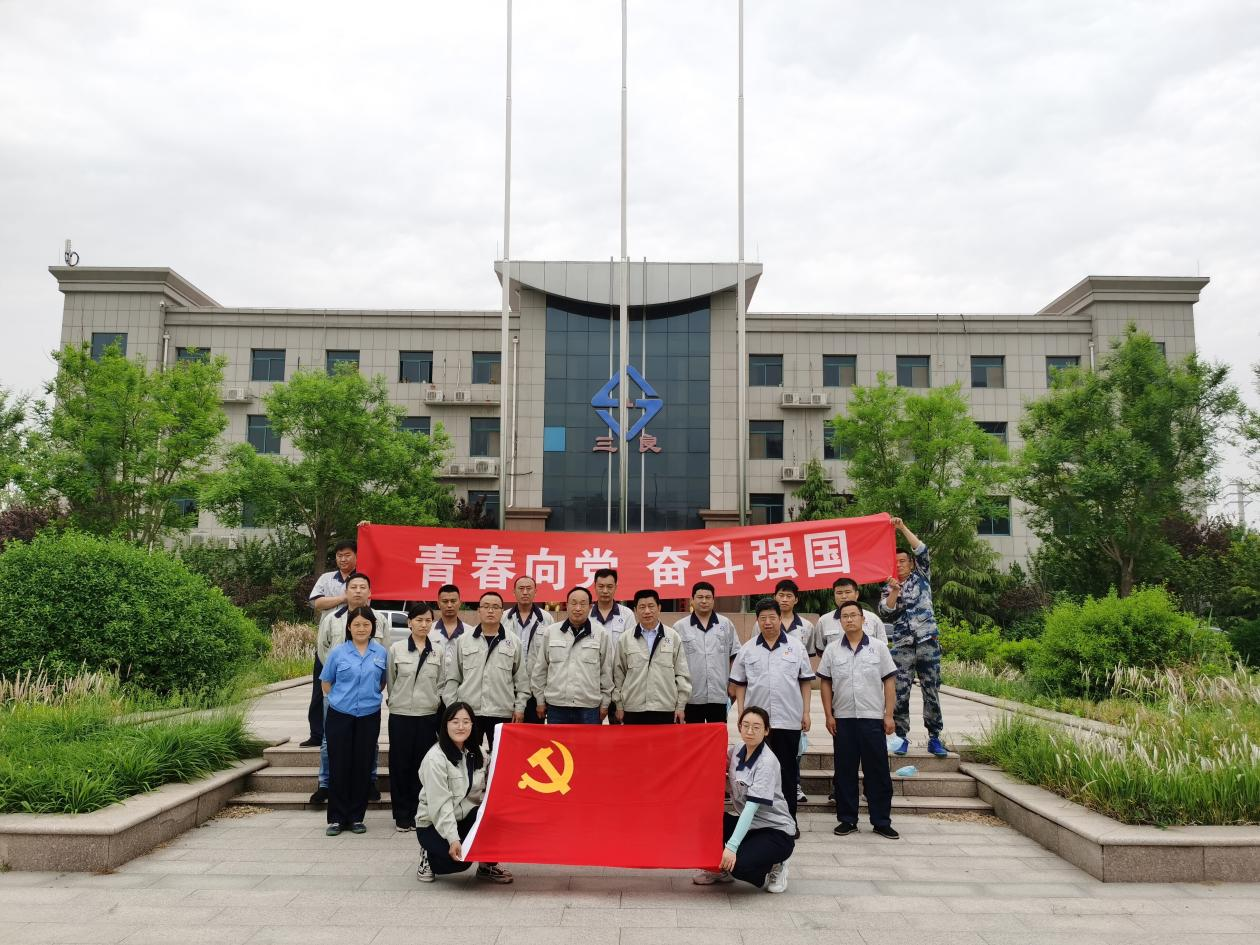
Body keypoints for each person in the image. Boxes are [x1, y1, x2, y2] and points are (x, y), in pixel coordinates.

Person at [818, 600, 899, 839]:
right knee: (845, 771)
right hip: (843, 719)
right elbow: (825, 682)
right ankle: (847, 819)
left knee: (878, 771)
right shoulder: (832, 650)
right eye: (845, 616)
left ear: (863, 619)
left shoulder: (878, 648)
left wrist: (888, 714)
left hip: (872, 719)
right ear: (840, 621)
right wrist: (828, 715)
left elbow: (889, 681)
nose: (849, 619)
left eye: (854, 615)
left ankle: (881, 821)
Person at [730, 597, 813, 827]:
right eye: (763, 618)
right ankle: (759, 822)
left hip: (788, 719)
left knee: (787, 773)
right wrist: (742, 713)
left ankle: (788, 822)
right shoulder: (747, 650)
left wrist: (806, 712)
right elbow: (740, 684)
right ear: (757, 620)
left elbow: (805, 682)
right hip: (757, 726)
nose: (768, 622)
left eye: (772, 617)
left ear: (780, 619)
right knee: (757, 772)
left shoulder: (795, 647)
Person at [693, 706, 794, 892]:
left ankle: (777, 863)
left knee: (739, 865)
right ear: (739, 727)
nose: (750, 731)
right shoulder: (739, 749)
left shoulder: (766, 762)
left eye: (756, 727)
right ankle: (719, 870)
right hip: (751, 827)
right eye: (745, 725)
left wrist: (731, 847)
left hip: (775, 831)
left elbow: (750, 808)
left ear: (766, 731)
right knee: (705, 821)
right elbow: (715, 762)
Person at [310, 572, 389, 805]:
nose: (357, 591)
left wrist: (374, 686)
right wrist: (335, 687)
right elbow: (323, 650)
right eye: (353, 587)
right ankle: (325, 784)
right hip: (337, 693)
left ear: (370, 592)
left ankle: (369, 781)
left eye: (362, 587)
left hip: (367, 696)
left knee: (369, 742)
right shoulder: (332, 619)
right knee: (329, 741)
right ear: (346, 591)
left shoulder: (379, 620)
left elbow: (385, 655)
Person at [415, 702, 513, 884]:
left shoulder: (478, 753)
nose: (461, 727)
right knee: (460, 862)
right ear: (445, 725)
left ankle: (487, 865)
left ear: (472, 725)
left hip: (465, 816)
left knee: (493, 817)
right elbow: (441, 806)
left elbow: (495, 783)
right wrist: (453, 839)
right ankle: (428, 855)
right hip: (434, 823)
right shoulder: (435, 759)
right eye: (455, 722)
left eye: (466, 722)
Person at [879, 517, 949, 758]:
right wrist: (894, 591)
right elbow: (885, 612)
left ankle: (935, 737)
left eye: (903, 561)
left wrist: (901, 528)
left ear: (911, 563)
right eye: (895, 562)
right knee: (900, 691)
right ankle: (901, 737)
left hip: (928, 641)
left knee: (932, 690)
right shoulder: (888, 586)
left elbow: (922, 549)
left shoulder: (922, 576)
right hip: (902, 645)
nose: (899, 565)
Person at [319, 606, 388, 836]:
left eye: (366, 624)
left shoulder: (381, 653)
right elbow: (326, 682)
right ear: (349, 627)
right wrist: (340, 700)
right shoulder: (338, 652)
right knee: (339, 765)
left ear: (372, 627)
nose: (361, 628)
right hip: (340, 715)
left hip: (369, 715)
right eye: (356, 624)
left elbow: (382, 682)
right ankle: (336, 819)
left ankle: (357, 817)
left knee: (362, 765)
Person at [386, 601, 446, 832]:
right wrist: (396, 701)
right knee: (400, 765)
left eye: (428, 620)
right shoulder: (396, 649)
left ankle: (419, 811)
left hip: (427, 715)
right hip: (401, 714)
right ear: (409, 622)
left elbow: (442, 683)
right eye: (419, 620)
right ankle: (402, 815)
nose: (423, 624)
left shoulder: (438, 650)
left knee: (423, 765)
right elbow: (391, 681)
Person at [440, 591, 528, 748]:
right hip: (469, 712)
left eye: (495, 607)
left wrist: (520, 707)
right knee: (469, 756)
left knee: (501, 756)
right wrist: (454, 708)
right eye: (486, 606)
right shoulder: (463, 641)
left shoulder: (514, 642)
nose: (490, 611)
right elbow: (453, 678)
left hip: (502, 711)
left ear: (502, 611)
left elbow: (521, 680)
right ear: (479, 610)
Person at [302, 539, 358, 747]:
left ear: (356, 556)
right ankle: (317, 733)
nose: (343, 559)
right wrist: (344, 598)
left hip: (356, 641)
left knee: (353, 687)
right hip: (328, 643)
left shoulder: (363, 577)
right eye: (339, 555)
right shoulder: (327, 578)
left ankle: (348, 732)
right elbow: (318, 603)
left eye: (347, 555)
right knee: (320, 688)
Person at [531, 586, 613, 724]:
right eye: (573, 603)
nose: (578, 608)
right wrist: (539, 700)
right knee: (557, 739)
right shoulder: (551, 632)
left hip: (589, 707)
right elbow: (540, 669)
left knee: (588, 740)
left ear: (590, 607)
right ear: (567, 605)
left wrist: (605, 703)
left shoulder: (601, 634)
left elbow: (607, 671)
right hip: (557, 706)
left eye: (583, 604)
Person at [612, 589, 692, 724]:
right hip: (633, 707)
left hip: (665, 707)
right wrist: (619, 705)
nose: (647, 611)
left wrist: (680, 706)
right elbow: (618, 674)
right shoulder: (625, 639)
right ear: (635, 610)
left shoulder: (673, 637)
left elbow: (682, 674)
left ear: (659, 608)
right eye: (642, 607)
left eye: (651, 606)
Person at [674, 581, 739, 723]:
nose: (704, 601)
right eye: (700, 597)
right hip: (691, 696)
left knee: (717, 734)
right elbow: (674, 662)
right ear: (692, 600)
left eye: (708, 597)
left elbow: (735, 655)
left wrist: (732, 684)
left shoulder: (726, 624)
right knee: (692, 735)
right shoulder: (680, 627)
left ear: (713, 600)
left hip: (719, 695)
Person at [590, 568, 635, 724]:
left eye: (609, 586)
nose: (605, 591)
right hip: (593, 684)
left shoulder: (627, 614)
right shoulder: (586, 615)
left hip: (620, 684)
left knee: (619, 732)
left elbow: (631, 649)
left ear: (616, 587)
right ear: (594, 586)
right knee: (592, 732)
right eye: (601, 586)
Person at [504, 575, 549, 725]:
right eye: (521, 588)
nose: (525, 592)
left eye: (529, 588)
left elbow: (549, 657)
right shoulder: (504, 618)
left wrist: (542, 697)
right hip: (509, 689)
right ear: (514, 592)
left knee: (534, 735)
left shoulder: (546, 619)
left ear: (535, 591)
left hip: (536, 691)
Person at [808, 577, 888, 656]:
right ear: (834, 595)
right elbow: (820, 650)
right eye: (839, 593)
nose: (844, 596)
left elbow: (883, 648)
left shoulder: (873, 619)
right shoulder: (824, 620)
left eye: (848, 592)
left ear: (856, 594)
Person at [774, 579, 815, 646]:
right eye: (781, 595)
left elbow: (809, 651)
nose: (784, 600)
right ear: (775, 597)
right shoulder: (763, 624)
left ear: (796, 600)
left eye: (789, 596)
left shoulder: (807, 626)